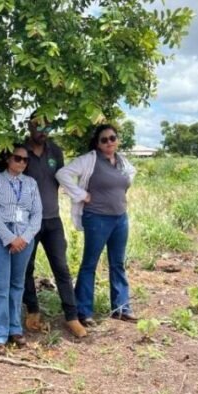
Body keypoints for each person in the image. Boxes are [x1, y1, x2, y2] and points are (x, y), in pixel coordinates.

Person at [56, 124, 137, 324]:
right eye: (104, 139)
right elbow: (62, 174)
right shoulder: (89, 160)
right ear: (98, 143)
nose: (109, 142)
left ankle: (121, 307)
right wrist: (81, 195)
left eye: (112, 138)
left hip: (120, 218)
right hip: (97, 218)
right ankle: (83, 311)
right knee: (90, 264)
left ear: (117, 140)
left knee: (118, 263)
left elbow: (128, 181)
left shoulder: (122, 162)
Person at [23, 115, 87, 338]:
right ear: (29, 126)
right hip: (26, 222)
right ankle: (32, 311)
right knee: (26, 269)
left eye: (47, 127)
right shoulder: (18, 151)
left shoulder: (55, 152)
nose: (43, 131)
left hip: (52, 220)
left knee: (61, 269)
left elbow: (63, 180)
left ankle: (72, 317)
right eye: (38, 126)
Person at [0, 145, 42, 355]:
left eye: (26, 160)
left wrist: (24, 238)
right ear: (8, 158)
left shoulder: (31, 183)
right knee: (0, 286)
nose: (22, 163)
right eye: (18, 158)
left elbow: (37, 215)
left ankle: (14, 329)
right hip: (0, 235)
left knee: (18, 284)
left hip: (24, 235)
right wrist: (9, 238)